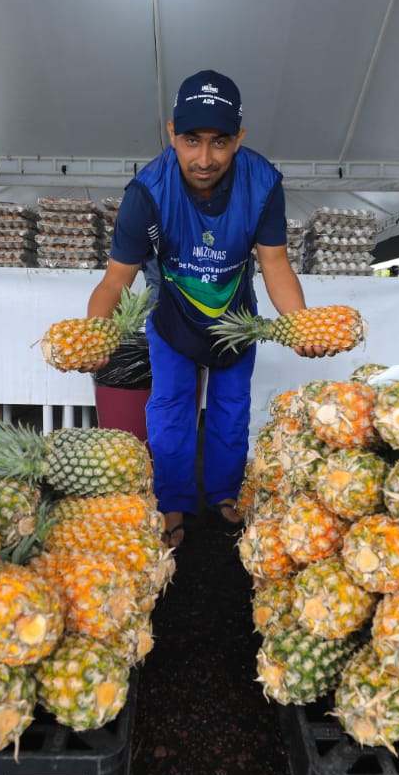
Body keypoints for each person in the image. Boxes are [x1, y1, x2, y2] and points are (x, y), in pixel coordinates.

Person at [86, 69, 327, 548]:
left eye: (219, 142)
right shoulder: (148, 193)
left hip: (235, 315)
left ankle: (223, 493)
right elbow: (117, 278)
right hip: (171, 314)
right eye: (191, 139)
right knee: (171, 406)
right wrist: (95, 334)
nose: (203, 158)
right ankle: (173, 501)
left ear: (239, 138)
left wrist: (301, 324)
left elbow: (275, 264)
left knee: (231, 408)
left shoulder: (262, 184)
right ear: (171, 133)